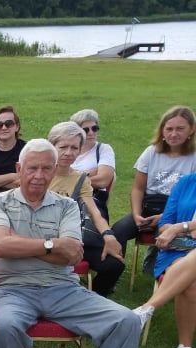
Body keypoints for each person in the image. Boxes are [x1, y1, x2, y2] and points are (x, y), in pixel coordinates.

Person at [0, 139, 142, 348]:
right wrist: (50, 244)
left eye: (46, 168)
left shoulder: (66, 205)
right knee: (4, 325)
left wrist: (19, 244)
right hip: (11, 290)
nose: (39, 175)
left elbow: (72, 255)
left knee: (126, 320)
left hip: (63, 288)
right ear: (19, 169)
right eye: (32, 168)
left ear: (55, 169)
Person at [47, 121, 124, 296]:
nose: (68, 153)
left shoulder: (80, 178)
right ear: (52, 147)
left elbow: (94, 211)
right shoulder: (40, 174)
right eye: (63, 147)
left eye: (74, 148)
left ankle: (93, 297)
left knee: (114, 264)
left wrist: (108, 235)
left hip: (77, 238)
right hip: (46, 239)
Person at [112, 106, 196, 258]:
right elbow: (138, 188)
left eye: (180, 129)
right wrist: (137, 215)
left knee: (170, 238)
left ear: (191, 130)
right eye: (169, 129)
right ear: (162, 130)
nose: (174, 134)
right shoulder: (151, 152)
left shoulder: (194, 158)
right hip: (148, 207)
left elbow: (190, 198)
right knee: (118, 231)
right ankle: (114, 272)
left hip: (176, 211)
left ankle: (163, 274)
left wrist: (163, 217)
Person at [133, 172, 196, 348]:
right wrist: (176, 229)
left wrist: (182, 226)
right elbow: (165, 222)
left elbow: (174, 226)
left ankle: (146, 309)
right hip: (179, 252)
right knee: (192, 284)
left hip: (186, 252)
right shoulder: (187, 182)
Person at [70, 109, 116, 221]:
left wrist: (70, 178)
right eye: (86, 130)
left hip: (93, 200)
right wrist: (89, 173)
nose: (91, 133)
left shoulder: (103, 149)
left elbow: (102, 181)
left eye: (95, 128)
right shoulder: (68, 149)